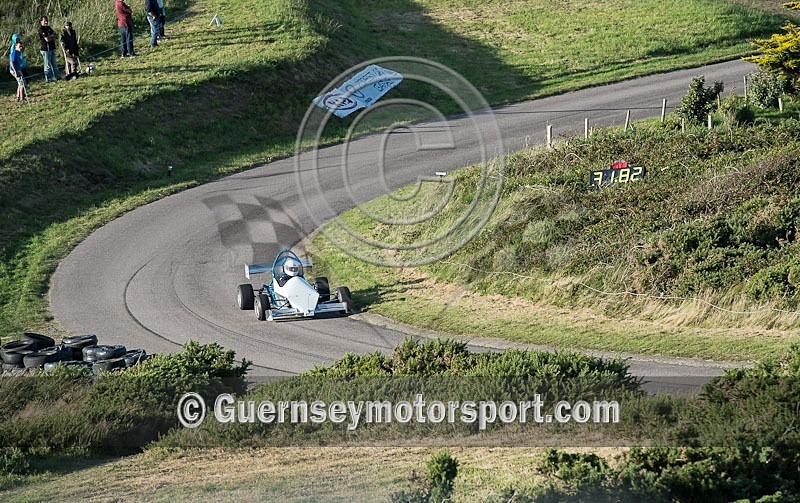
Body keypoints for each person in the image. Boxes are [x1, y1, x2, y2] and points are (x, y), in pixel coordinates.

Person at [37, 16, 61, 82]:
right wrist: (51, 36)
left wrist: (51, 36)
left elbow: (56, 35)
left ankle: (58, 77)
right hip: (45, 49)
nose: (46, 22)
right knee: (47, 65)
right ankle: (48, 79)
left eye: (47, 20)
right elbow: (47, 39)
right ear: (41, 21)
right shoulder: (41, 29)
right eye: (44, 21)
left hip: (52, 47)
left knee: (54, 63)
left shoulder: (49, 28)